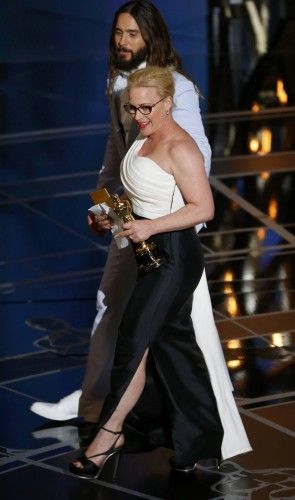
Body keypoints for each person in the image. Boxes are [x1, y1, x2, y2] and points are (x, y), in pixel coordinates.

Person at [30, 0, 212, 423]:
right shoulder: (118, 84)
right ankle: (94, 405)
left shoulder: (175, 88)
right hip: (127, 221)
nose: (123, 41)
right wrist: (103, 209)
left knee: (182, 330)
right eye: (118, 33)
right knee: (109, 303)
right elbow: (115, 158)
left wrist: (186, 223)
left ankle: (200, 423)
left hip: (166, 228)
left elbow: (195, 153)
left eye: (133, 34)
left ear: (151, 35)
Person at [69, 66, 251, 479]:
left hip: (172, 259)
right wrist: (108, 216)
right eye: (132, 107)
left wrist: (150, 226)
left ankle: (107, 436)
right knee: (176, 349)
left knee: (133, 345)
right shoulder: (142, 137)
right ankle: (201, 439)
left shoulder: (181, 148)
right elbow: (138, 197)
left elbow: (203, 209)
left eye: (147, 107)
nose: (138, 115)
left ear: (169, 102)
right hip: (147, 253)